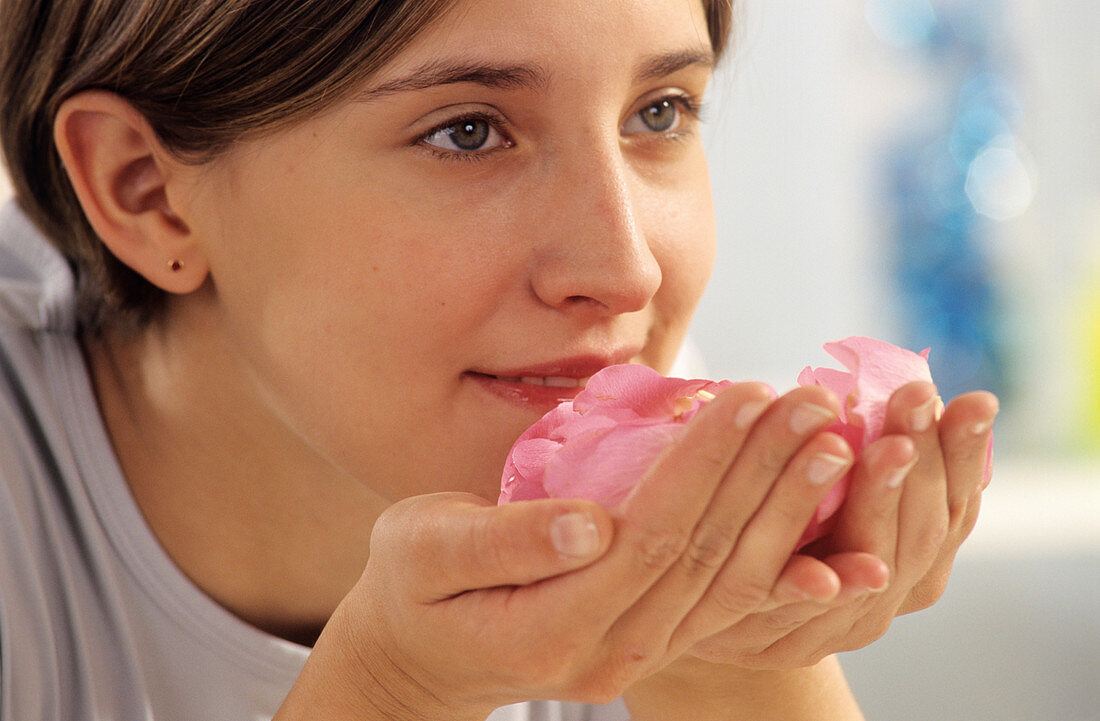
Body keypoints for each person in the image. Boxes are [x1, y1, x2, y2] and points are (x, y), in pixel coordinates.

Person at [0, 0, 1000, 719]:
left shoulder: (592, 391)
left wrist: (721, 649)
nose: (623, 270)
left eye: (658, 112)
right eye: (467, 132)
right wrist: (396, 693)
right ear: (147, 192)